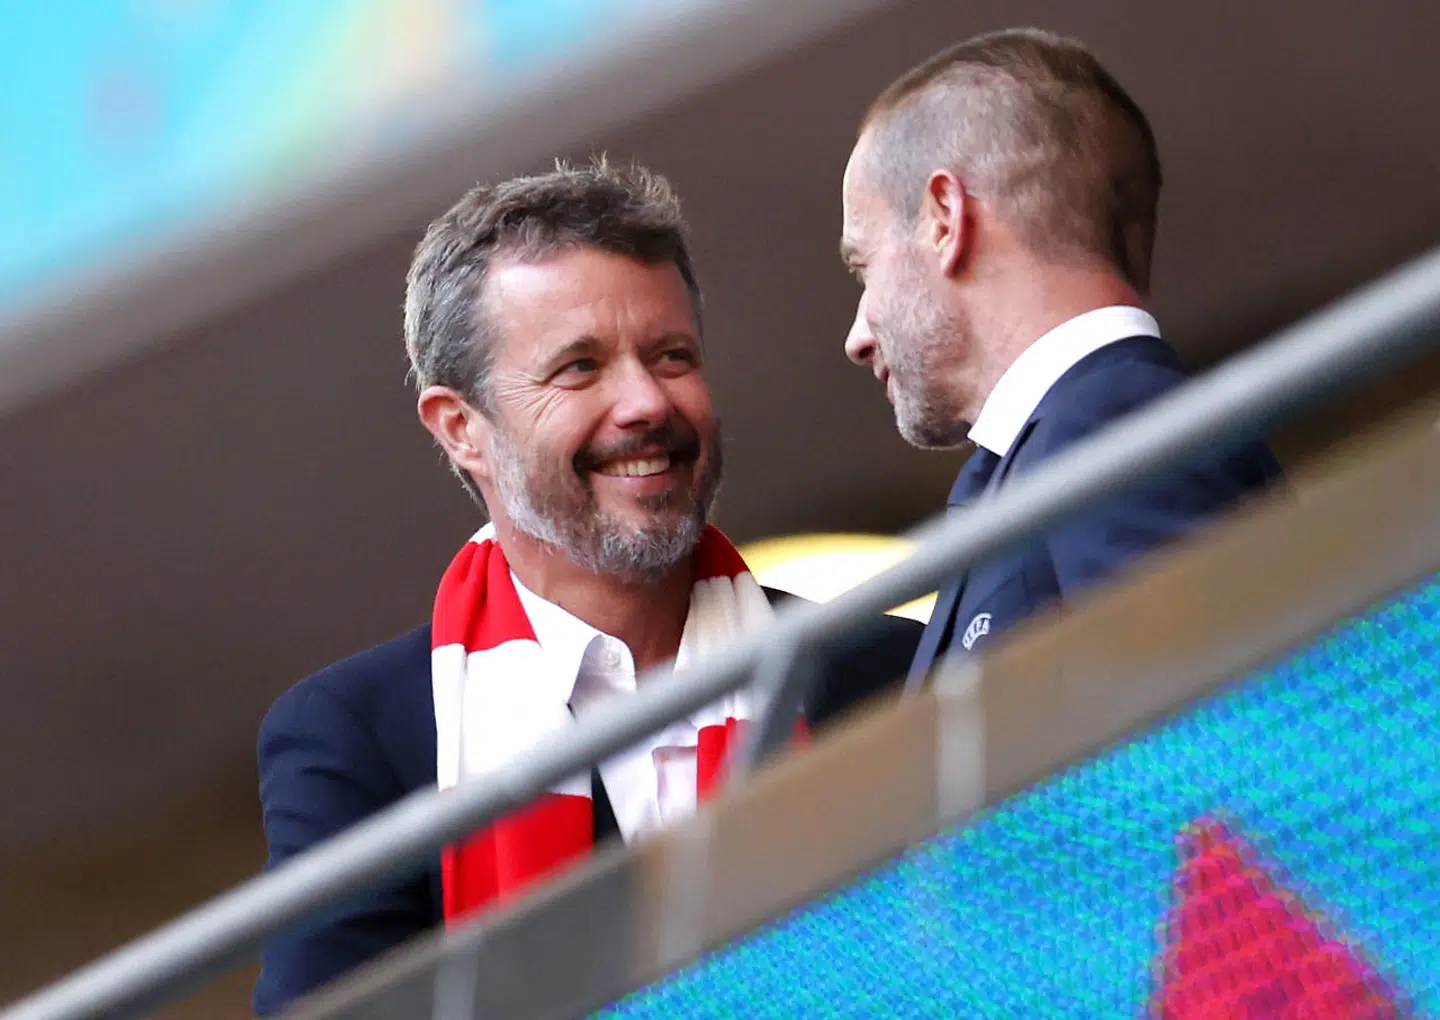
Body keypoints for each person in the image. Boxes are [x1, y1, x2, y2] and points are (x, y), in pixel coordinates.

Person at [254, 159, 920, 1015]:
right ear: (463, 430)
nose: (645, 401)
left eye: (672, 355)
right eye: (580, 368)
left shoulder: (883, 671)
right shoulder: (359, 738)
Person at [838, 28, 1284, 686]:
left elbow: (1209, 744)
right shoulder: (1060, 445)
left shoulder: (1114, 422)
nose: (858, 337)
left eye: (863, 267)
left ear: (943, 219)